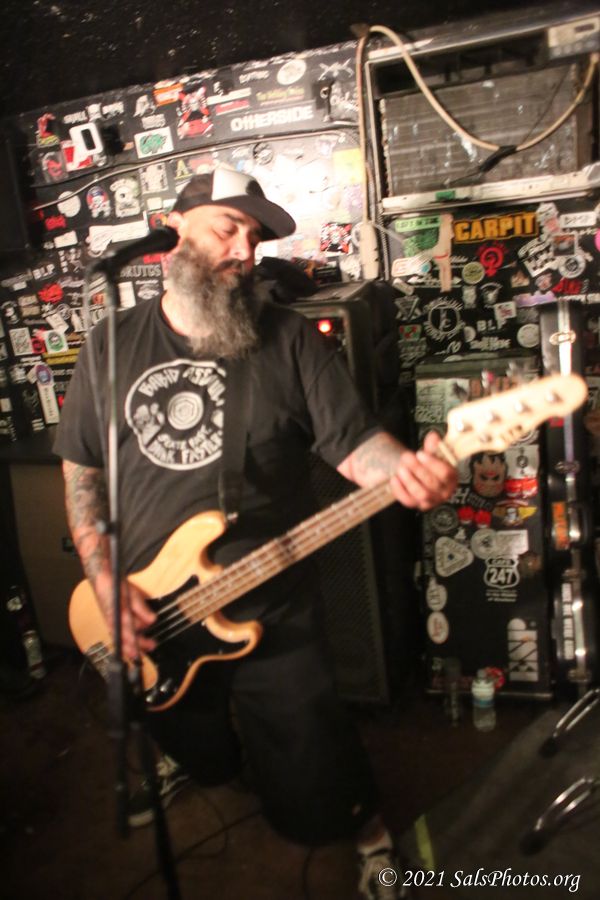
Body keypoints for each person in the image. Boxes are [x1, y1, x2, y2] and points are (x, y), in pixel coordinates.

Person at [54, 165, 457, 900]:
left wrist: (406, 470)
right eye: (227, 228)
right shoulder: (111, 343)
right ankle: (188, 762)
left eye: (254, 236)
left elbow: (352, 443)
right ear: (172, 230)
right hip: (148, 606)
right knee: (188, 734)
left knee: (313, 746)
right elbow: (82, 468)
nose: (244, 250)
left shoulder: (286, 338)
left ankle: (367, 836)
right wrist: (103, 578)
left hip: (271, 600)